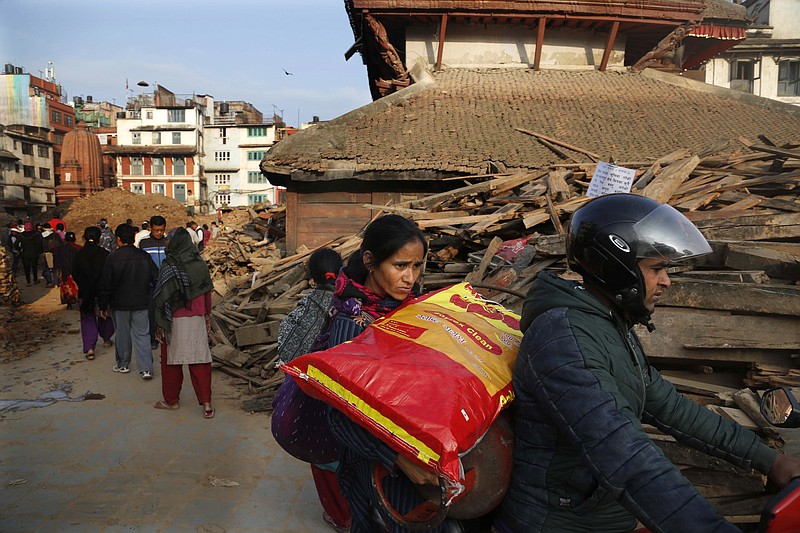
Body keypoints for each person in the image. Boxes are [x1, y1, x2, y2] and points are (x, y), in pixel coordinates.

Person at [494, 193, 800, 533]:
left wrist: (770, 460)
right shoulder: (564, 340)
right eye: (656, 268)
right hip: (558, 524)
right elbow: (621, 452)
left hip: (599, 519)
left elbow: (672, 409)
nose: (666, 281)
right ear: (616, 269)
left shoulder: (607, 323)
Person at [322, 214, 447, 533]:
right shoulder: (352, 324)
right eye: (400, 265)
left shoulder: (411, 310)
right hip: (376, 466)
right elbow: (339, 417)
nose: (410, 277)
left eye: (416, 266)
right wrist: (397, 458)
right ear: (370, 261)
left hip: (419, 453)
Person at [152, 227, 215, 418]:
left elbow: (162, 296)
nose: (166, 244)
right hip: (196, 318)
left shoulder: (169, 265)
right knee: (200, 360)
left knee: (171, 362)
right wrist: (206, 315)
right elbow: (207, 293)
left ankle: (171, 401)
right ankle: (207, 404)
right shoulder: (200, 264)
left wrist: (160, 321)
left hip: (173, 320)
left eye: (169, 240)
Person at [97, 224, 159, 378]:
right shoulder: (144, 256)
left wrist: (103, 305)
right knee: (143, 335)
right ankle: (146, 369)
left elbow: (106, 284)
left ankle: (123, 364)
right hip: (141, 302)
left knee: (122, 334)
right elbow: (156, 277)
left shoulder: (112, 258)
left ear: (118, 239)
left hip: (119, 304)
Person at [277, 247, 343, 364]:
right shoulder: (350, 302)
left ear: (312, 276)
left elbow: (286, 337)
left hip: (305, 372)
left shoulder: (309, 303)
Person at [73, 227, 115, 360]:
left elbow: (75, 274)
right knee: (104, 315)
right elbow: (110, 275)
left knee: (87, 318)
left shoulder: (79, 255)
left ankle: (90, 348)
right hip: (102, 292)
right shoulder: (105, 254)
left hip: (85, 292)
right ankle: (107, 339)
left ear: (84, 238)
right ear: (99, 239)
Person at [139, 216, 168, 350]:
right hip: (150, 285)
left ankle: (165, 336)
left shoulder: (168, 242)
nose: (159, 233)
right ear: (151, 228)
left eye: (161, 230)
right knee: (151, 313)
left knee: (165, 311)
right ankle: (153, 338)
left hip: (166, 283)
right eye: (156, 230)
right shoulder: (144, 243)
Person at [53, 231, 82, 309]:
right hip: (77, 272)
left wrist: (58, 270)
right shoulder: (79, 248)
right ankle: (79, 302)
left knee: (66, 288)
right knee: (78, 288)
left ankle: (69, 304)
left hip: (65, 272)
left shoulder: (60, 249)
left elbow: (57, 261)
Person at [18, 221, 43, 286]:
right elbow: (39, 243)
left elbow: (16, 244)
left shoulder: (21, 235)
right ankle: (35, 279)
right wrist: (39, 251)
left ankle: (28, 281)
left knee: (26, 268)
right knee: (34, 267)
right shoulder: (36, 234)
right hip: (34, 253)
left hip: (25, 253)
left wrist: (19, 249)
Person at [40, 223, 63, 288]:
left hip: (45, 253)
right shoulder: (55, 235)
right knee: (55, 268)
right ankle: (56, 283)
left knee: (46, 268)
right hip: (55, 252)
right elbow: (60, 243)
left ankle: (49, 281)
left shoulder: (41, 235)